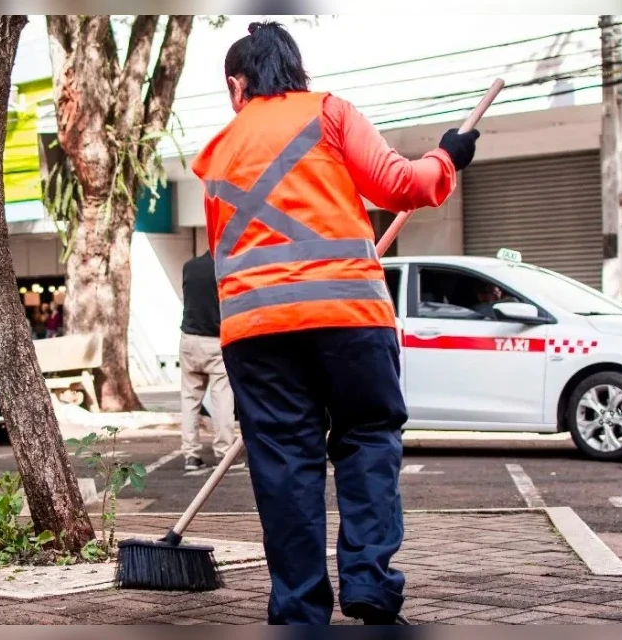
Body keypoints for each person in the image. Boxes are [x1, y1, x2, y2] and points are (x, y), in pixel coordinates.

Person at [191, 22, 480, 625]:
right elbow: (402, 185)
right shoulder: (329, 113)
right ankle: (370, 582)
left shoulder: (215, 155)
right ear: (295, 70)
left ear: (237, 84)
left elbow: (224, 251)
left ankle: (299, 610)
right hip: (349, 319)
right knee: (367, 438)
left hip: (256, 333)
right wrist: (447, 156)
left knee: (284, 465)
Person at [178, 251, 240, 471]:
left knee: (189, 399)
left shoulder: (189, 266)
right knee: (222, 399)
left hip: (189, 338)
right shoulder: (227, 268)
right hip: (216, 340)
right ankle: (223, 454)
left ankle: (191, 455)